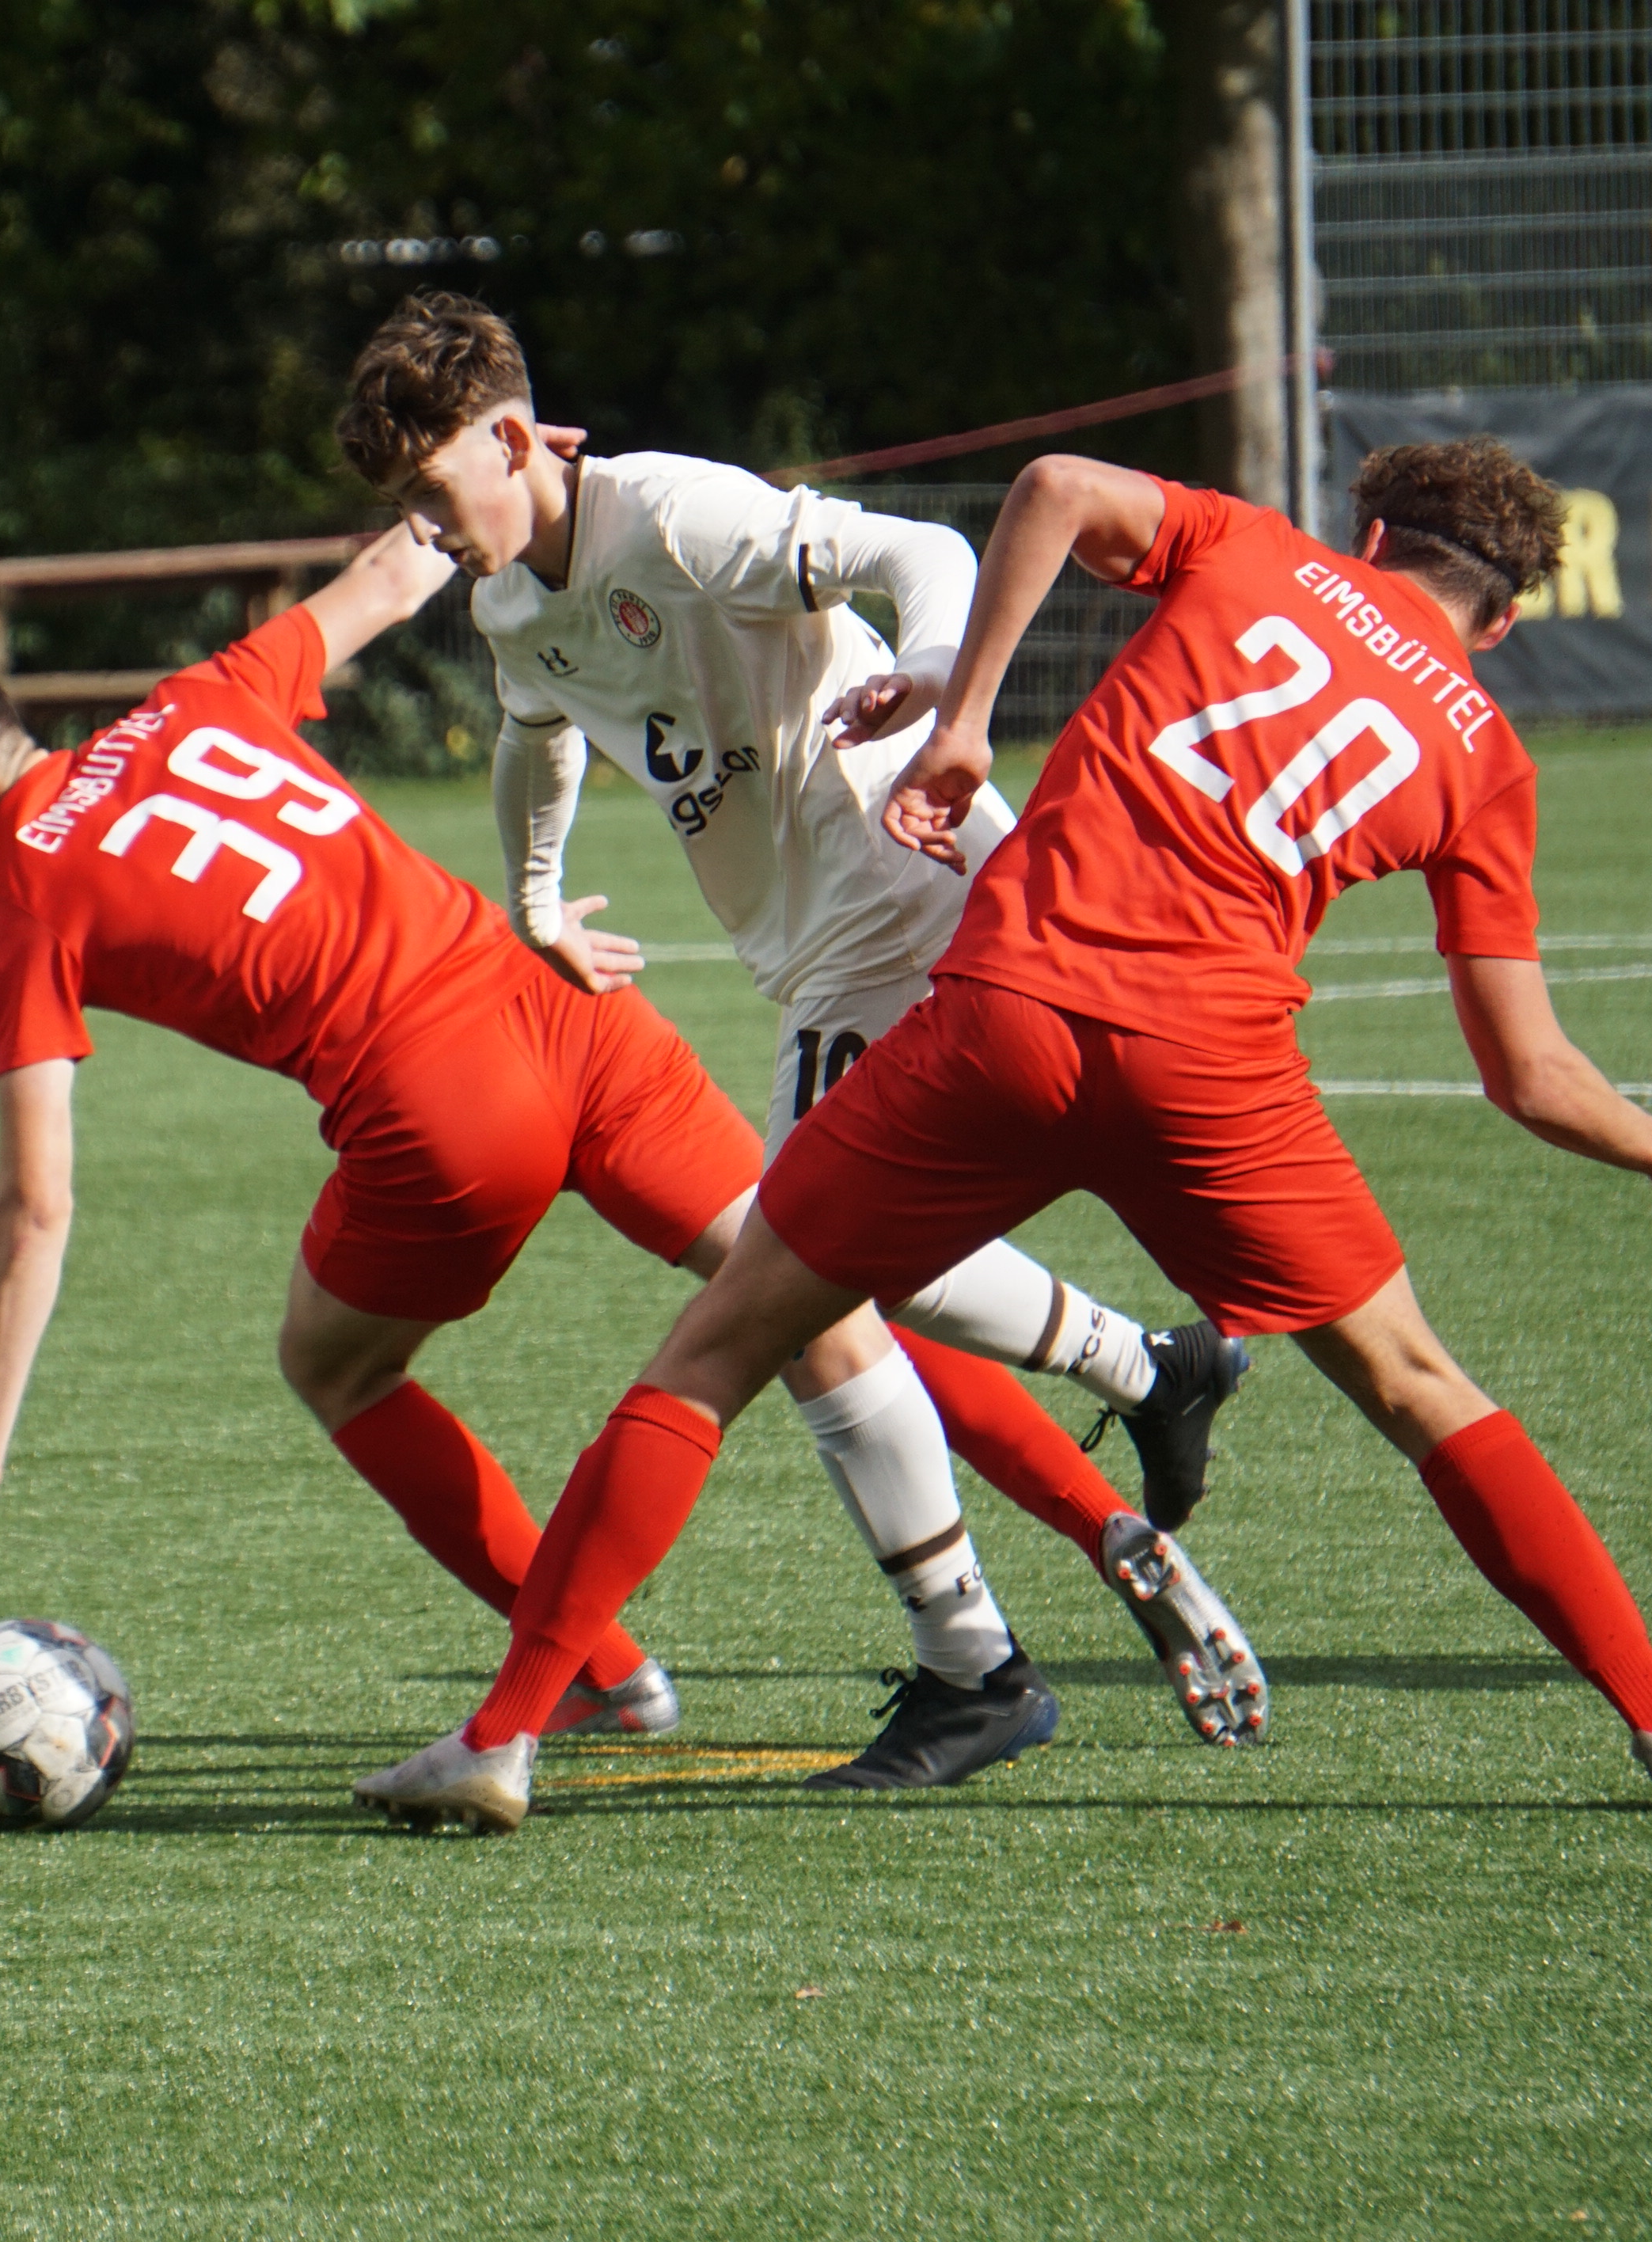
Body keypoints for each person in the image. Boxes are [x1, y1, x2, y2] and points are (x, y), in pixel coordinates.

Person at [355, 435, 1652, 1828]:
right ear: (1509, 618)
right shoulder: (1485, 757)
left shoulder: (1254, 548)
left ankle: (503, 1742)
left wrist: (965, 719)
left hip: (1007, 1018)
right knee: (1421, 1386)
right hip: (1217, 1078)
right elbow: (1527, 1071)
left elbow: (1047, 490)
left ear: (1369, 539)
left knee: (721, 1344)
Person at [0, 523, 1160, 1796]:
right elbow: (393, 569)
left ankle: (599, 1671)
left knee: (334, 1361)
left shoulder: (23, 893)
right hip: (568, 1006)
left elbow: (35, 1200)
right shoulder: (190, 704)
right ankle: (1105, 1524)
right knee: (804, 1279)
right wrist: (503, 482)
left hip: (441, 1105)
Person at [333, 293, 1264, 1785]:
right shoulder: (513, 600)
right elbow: (536, 732)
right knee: (837, 1264)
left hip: (901, 878)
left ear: (515, 439)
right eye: (406, 508)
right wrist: (534, 897)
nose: (429, 530)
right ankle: (1148, 1378)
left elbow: (928, 554)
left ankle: (980, 1660)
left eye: (436, 491)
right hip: (824, 935)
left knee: (801, 1273)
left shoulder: (676, 515)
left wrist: (946, 681)